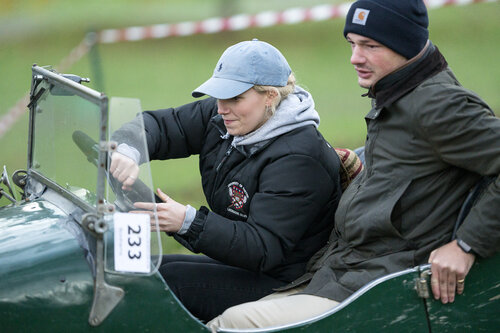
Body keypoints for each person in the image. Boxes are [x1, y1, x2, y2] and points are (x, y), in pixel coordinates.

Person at [207, 0, 500, 330]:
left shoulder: (438, 105)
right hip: (341, 271)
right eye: (352, 44)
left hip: (381, 286)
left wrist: (466, 245)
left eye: (370, 46)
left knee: (232, 324)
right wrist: (359, 167)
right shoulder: (398, 92)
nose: (355, 58)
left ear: (405, 44)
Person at [109, 39, 354, 322]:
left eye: (235, 97)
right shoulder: (226, 116)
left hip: (287, 278)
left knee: (163, 282)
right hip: (242, 260)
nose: (222, 107)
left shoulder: (299, 157)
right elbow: (164, 126)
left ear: (270, 96)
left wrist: (187, 221)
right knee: (145, 271)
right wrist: (127, 150)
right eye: (219, 95)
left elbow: (264, 247)